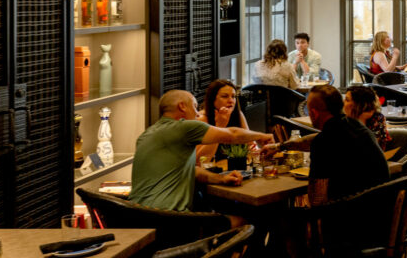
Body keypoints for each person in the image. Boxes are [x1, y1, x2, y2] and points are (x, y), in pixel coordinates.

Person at [129, 90, 273, 213]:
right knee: (249, 219)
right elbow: (232, 135)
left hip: (136, 215)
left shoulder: (145, 136)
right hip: (170, 217)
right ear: (182, 106)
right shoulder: (184, 127)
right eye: (195, 107)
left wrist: (221, 179)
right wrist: (263, 136)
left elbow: (191, 171)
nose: (197, 113)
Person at [264, 85, 389, 204]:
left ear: (314, 113)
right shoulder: (358, 128)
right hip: (381, 213)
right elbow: (313, 140)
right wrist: (279, 147)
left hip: (350, 220)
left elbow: (317, 200)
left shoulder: (324, 142)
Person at [195, 79, 250, 163]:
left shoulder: (238, 114)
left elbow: (251, 144)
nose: (231, 101)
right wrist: (220, 126)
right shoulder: (201, 118)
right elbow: (200, 161)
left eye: (233, 96)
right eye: (225, 96)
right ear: (212, 99)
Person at [344, 85, 391, 150]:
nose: (343, 102)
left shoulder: (377, 118)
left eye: (347, 100)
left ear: (358, 104)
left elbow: (372, 149)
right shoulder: (343, 119)